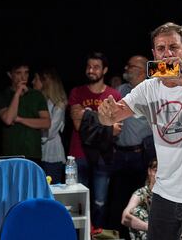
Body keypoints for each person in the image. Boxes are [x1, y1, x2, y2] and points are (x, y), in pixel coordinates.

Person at [98, 22, 182, 240]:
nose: (166, 53)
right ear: (154, 54)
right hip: (166, 191)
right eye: (160, 48)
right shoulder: (149, 88)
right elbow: (113, 116)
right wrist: (105, 114)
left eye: (173, 47)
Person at [69, 51, 122, 229]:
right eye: (88, 66)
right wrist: (104, 123)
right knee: (78, 202)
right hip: (79, 153)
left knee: (100, 203)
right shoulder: (77, 93)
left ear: (105, 70)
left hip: (103, 155)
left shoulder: (113, 95)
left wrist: (87, 116)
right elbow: (77, 126)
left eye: (96, 67)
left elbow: (116, 130)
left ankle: (97, 234)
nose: (91, 70)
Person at [108, 55, 154, 240]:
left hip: (141, 156)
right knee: (118, 200)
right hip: (120, 155)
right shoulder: (121, 90)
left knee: (139, 201)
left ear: (143, 71)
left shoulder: (153, 92)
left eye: (132, 66)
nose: (127, 68)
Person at [0, 59, 50, 164]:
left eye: (26, 72)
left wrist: (19, 119)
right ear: (10, 75)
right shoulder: (2, 96)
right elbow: (8, 119)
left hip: (33, 153)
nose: (23, 77)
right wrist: (17, 94)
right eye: (19, 73)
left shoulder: (37, 95)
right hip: (10, 154)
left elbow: (46, 123)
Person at [32, 67, 67, 184]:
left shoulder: (59, 104)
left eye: (36, 79)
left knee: (52, 190)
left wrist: (34, 131)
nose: (33, 82)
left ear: (45, 81)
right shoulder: (40, 102)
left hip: (52, 155)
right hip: (38, 154)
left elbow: (50, 131)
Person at [122, 158, 158, 240]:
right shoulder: (141, 193)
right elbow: (125, 218)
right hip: (149, 231)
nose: (158, 175)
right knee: (136, 211)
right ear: (149, 171)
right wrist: (151, 228)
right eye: (155, 171)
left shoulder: (169, 194)